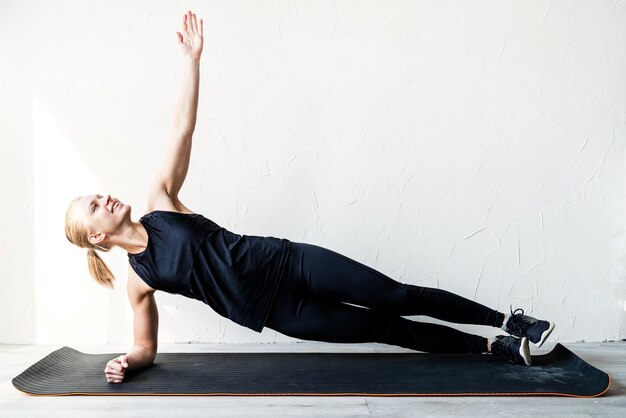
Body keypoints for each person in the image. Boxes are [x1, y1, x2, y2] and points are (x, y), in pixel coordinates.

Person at [64, 10, 555, 384]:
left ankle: (508, 320)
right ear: (98, 237)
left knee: (395, 296)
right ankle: (494, 347)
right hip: (280, 313)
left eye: (96, 195)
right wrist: (128, 361)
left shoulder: (160, 201)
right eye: (93, 206)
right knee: (386, 329)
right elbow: (146, 345)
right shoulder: (138, 282)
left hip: (288, 262)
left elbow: (182, 129)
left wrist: (192, 63)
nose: (103, 198)